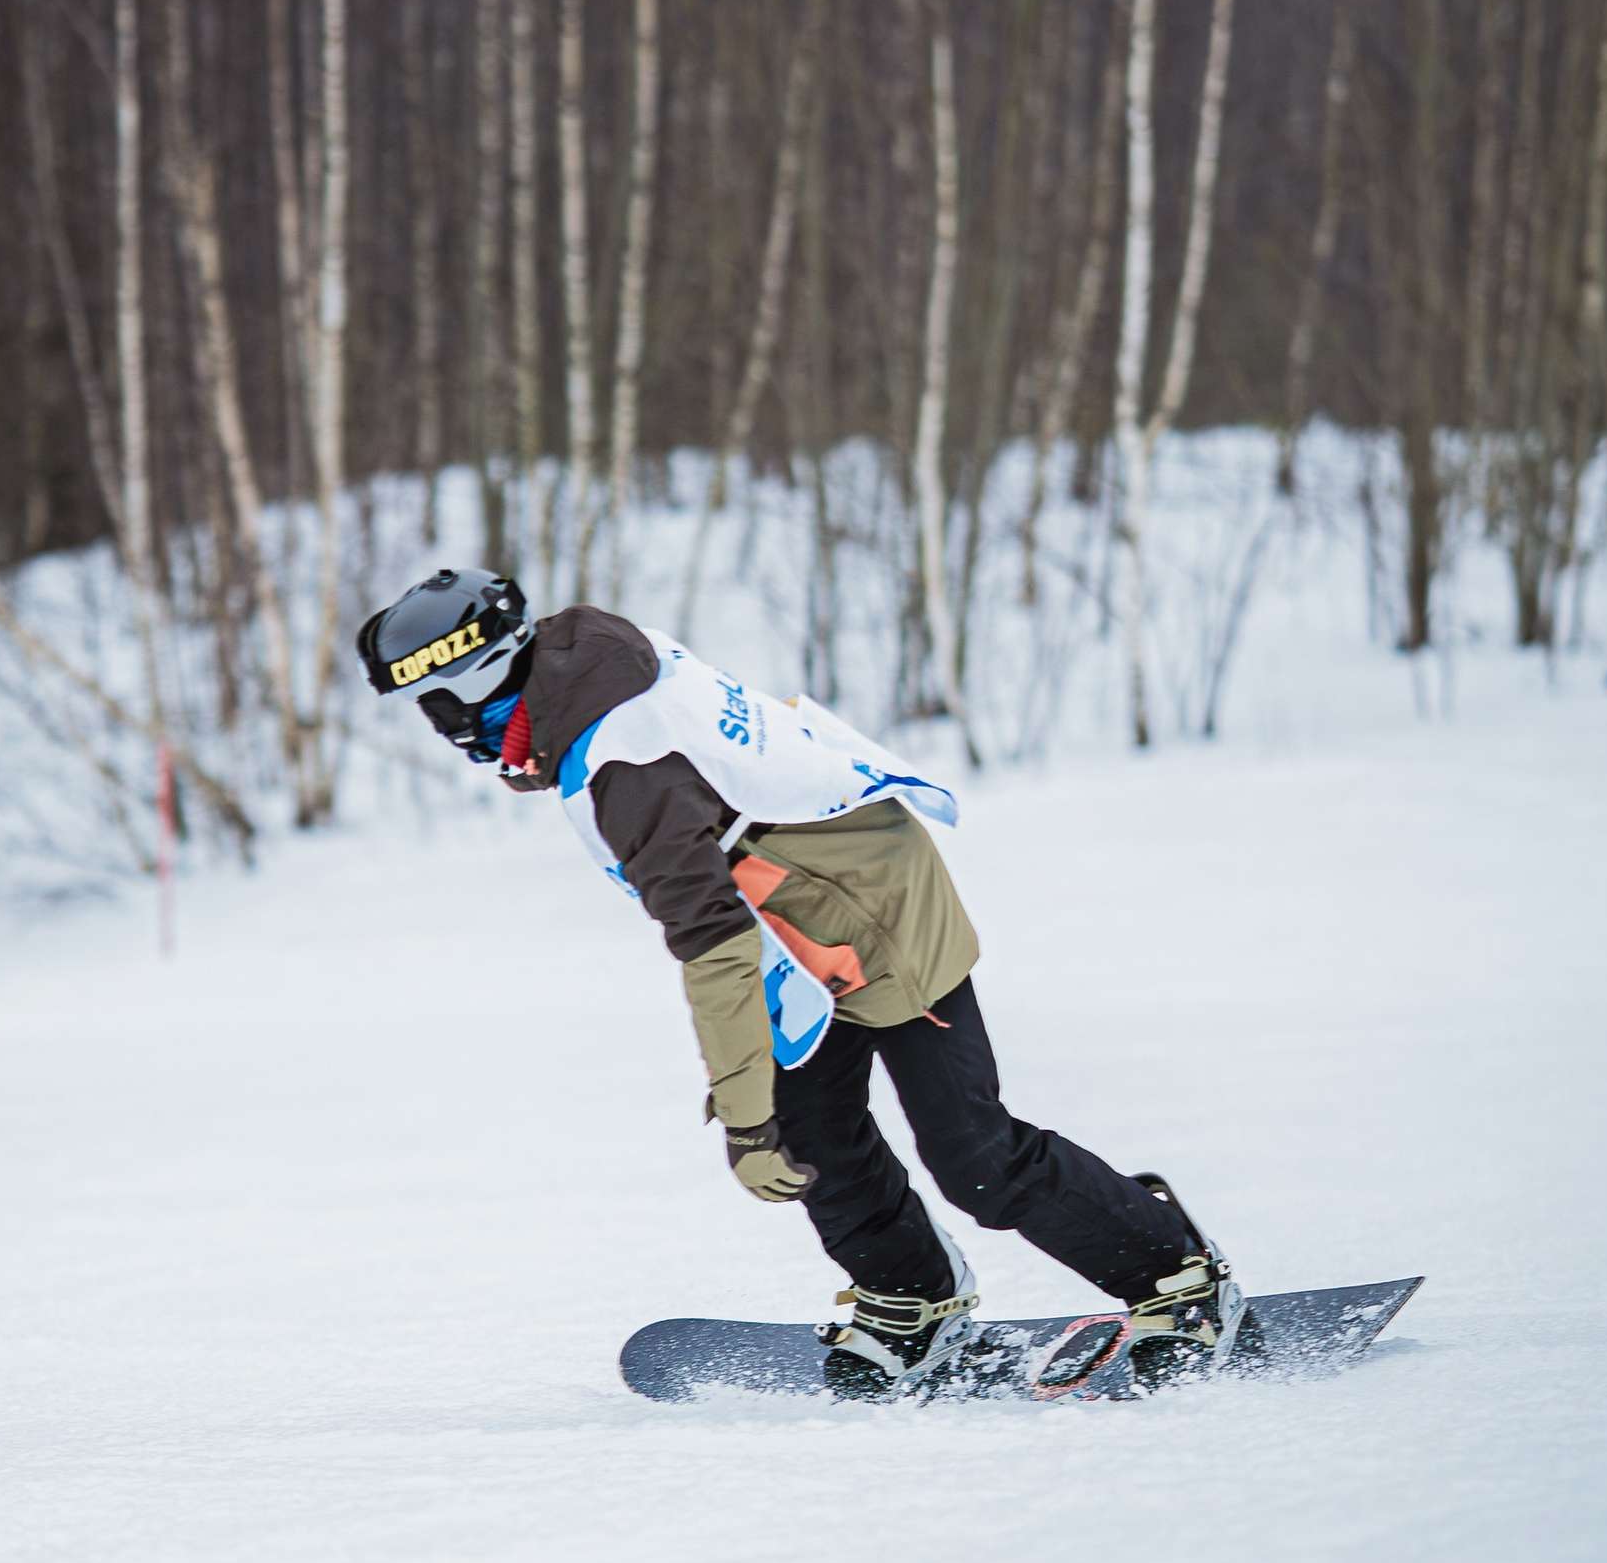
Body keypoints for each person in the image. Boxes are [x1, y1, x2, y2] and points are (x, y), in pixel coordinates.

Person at [356, 567, 1236, 1395]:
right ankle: (913, 1296)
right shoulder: (583, 667)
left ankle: (1174, 1273)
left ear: (483, 682)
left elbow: (714, 948)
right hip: (793, 915)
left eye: (437, 701)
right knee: (809, 1133)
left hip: (872, 904)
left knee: (973, 1156)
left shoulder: (621, 762)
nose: (438, 723)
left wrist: (740, 1121)